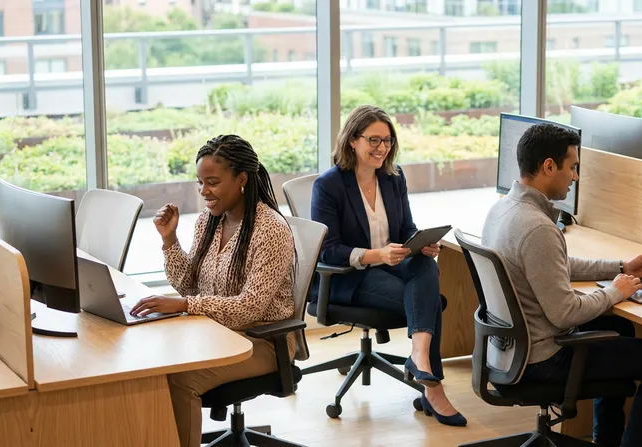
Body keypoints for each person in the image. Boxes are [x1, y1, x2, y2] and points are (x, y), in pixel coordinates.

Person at [481, 123, 642, 447]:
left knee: (618, 325)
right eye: (572, 167)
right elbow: (564, 313)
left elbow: (552, 266)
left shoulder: (504, 209)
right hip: (542, 361)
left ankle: (606, 439)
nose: (575, 177)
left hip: (509, 352)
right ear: (549, 166)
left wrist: (621, 267)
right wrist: (615, 291)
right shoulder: (537, 228)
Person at [129, 134, 297, 447]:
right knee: (147, 365)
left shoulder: (270, 229)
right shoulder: (210, 219)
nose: (204, 192)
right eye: (200, 182)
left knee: (180, 380)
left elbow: (249, 309)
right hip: (215, 332)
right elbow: (189, 284)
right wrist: (169, 240)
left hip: (262, 340)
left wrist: (183, 306)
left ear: (242, 179)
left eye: (213, 182)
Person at [310, 105, 466, 427]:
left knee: (425, 266)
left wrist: (420, 243)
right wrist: (375, 255)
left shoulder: (393, 178)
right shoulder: (329, 185)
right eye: (374, 140)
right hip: (350, 277)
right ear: (353, 140)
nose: (382, 148)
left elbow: (406, 227)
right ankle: (432, 388)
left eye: (388, 140)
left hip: (392, 266)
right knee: (431, 302)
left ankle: (419, 356)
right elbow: (327, 250)